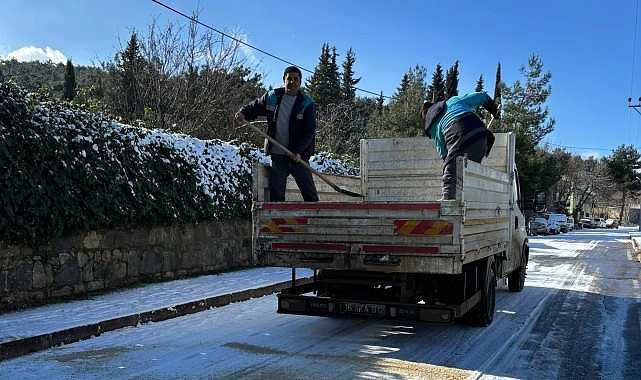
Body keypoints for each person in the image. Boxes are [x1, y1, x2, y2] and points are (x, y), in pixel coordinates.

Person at [235, 66, 319, 202]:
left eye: (295, 79)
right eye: (289, 78)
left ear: (300, 82)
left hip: (298, 156)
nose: (292, 82)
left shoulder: (306, 103)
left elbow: (309, 131)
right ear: (284, 80)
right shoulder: (272, 96)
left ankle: (315, 221)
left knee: (310, 195)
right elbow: (255, 106)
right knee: (277, 197)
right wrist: (243, 113)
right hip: (278, 155)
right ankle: (278, 223)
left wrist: (298, 151)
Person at [420, 92, 500, 200]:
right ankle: (467, 198)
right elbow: (482, 96)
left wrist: (448, 163)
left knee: (450, 172)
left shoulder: (432, 125)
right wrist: (494, 110)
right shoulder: (453, 101)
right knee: (467, 172)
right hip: (482, 138)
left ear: (426, 115)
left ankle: (447, 200)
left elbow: (442, 151)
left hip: (459, 136)